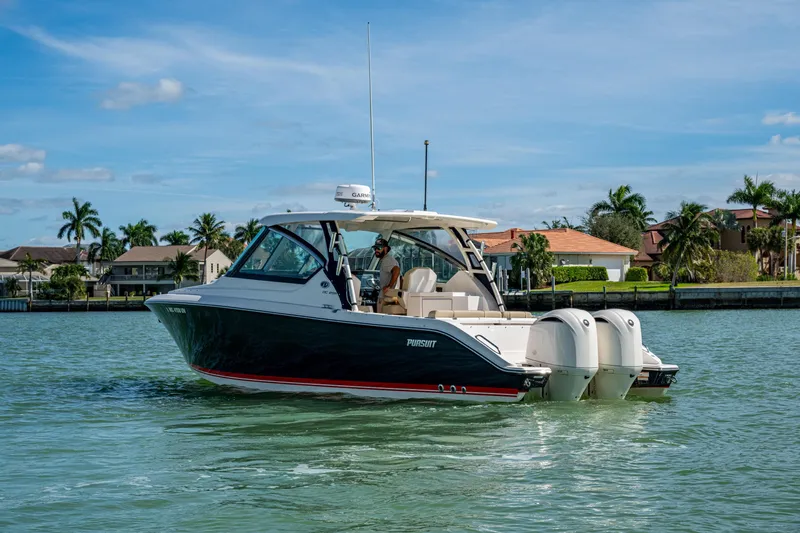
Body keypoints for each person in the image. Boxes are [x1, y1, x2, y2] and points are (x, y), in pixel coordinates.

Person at [373, 238, 400, 311]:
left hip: (385, 296)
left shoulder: (387, 260)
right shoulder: (390, 259)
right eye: (375, 248)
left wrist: (389, 286)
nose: (376, 250)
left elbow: (397, 270)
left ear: (385, 249)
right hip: (391, 295)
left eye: (379, 248)